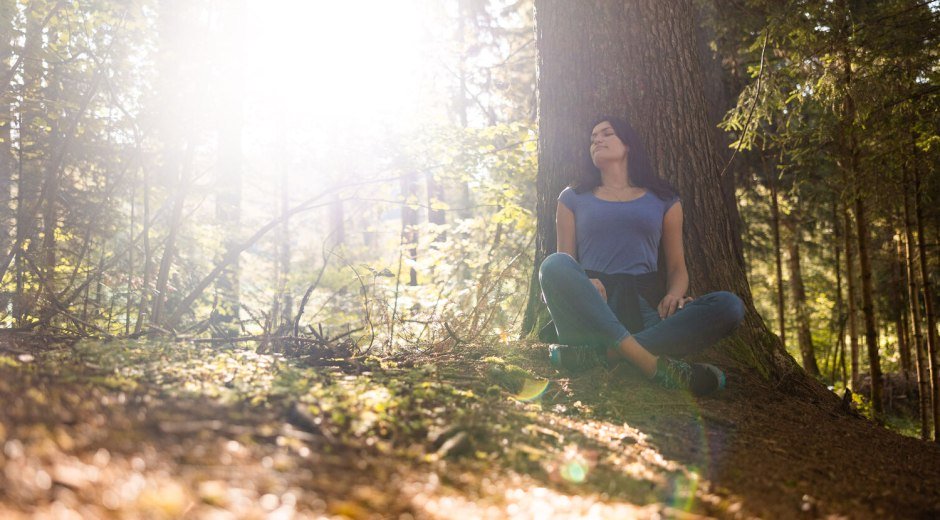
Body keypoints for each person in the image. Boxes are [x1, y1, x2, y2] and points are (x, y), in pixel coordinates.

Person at [538, 116, 745, 396]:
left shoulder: (663, 199)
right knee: (553, 264)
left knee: (729, 305)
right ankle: (653, 366)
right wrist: (585, 279)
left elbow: (676, 267)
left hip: (647, 308)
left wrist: (674, 294)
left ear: (628, 145)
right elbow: (566, 260)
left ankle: (605, 357)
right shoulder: (572, 197)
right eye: (592, 137)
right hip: (593, 308)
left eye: (606, 133)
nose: (596, 140)